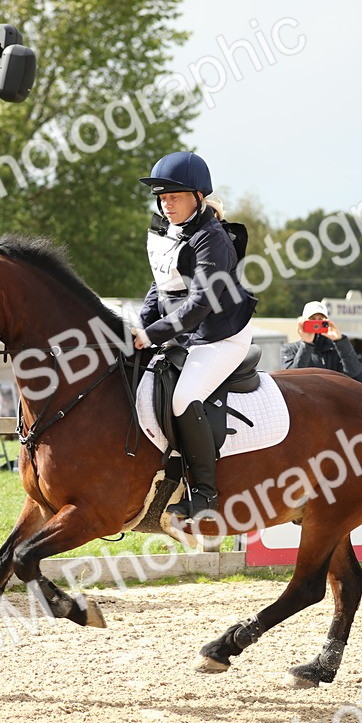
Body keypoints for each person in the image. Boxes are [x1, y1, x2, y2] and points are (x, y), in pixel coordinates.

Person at [131, 151, 257, 521]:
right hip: (184, 333)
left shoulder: (211, 239)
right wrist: (140, 328)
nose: (166, 204)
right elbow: (162, 288)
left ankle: (204, 494)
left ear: (198, 197)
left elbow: (201, 303)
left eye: (174, 196)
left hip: (220, 336)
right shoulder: (166, 233)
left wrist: (152, 334)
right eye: (162, 197)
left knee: (184, 397)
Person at [280, 301, 362, 382]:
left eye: (321, 319)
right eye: (313, 319)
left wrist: (339, 340)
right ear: (304, 322)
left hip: (331, 397)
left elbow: (354, 371)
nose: (317, 323)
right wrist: (307, 344)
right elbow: (291, 379)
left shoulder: (336, 349)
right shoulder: (289, 349)